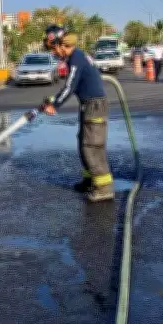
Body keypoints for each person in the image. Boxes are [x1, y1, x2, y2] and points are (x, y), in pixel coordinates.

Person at [41, 25, 115, 202]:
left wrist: (55, 105)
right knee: (83, 142)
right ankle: (90, 181)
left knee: (92, 146)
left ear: (61, 45)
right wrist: (52, 99)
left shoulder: (76, 59)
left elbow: (70, 86)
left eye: (53, 48)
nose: (53, 53)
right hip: (88, 105)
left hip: (94, 106)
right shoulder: (77, 57)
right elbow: (73, 86)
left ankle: (104, 188)